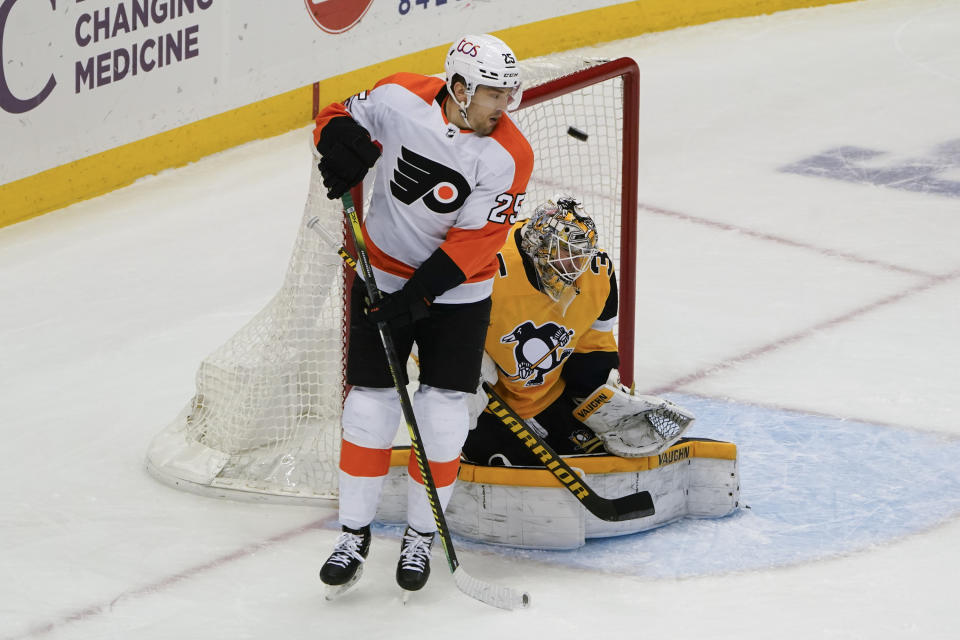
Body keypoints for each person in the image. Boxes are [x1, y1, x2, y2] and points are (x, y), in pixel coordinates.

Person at [313, 34, 532, 596]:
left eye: (508, 95)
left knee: (442, 413)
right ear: (458, 88)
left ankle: (419, 535)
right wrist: (338, 139)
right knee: (368, 405)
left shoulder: (510, 155)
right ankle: (352, 535)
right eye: (492, 94)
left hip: (456, 295)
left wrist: (412, 300)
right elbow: (336, 115)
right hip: (380, 271)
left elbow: (474, 246)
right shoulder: (400, 96)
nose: (503, 107)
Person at [462, 196, 694, 468]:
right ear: (537, 246)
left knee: (595, 459)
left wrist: (601, 399)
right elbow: (430, 322)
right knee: (511, 462)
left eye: (581, 255)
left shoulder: (598, 273)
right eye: (565, 254)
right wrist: (456, 370)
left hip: (549, 399)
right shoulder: (488, 265)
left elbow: (592, 352)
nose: (575, 267)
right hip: (486, 406)